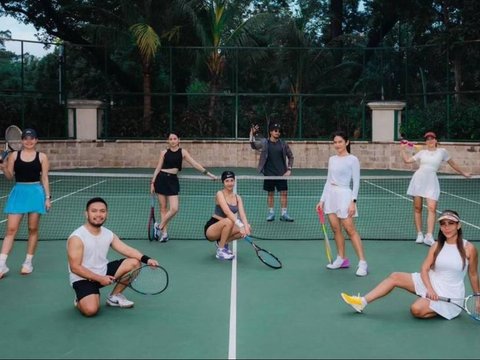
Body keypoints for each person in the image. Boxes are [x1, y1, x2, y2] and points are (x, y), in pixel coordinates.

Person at [341, 210, 479, 320]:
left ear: (458, 225)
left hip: (450, 292)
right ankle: (361, 302)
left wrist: (478, 297)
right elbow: (424, 269)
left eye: (451, 223)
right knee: (395, 276)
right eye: (443, 224)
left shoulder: (469, 248)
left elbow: (473, 274)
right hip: (430, 282)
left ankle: (442, 308)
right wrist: (430, 290)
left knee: (416, 310)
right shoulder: (436, 245)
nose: (447, 227)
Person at [67, 197, 159, 317]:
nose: (98, 214)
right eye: (94, 211)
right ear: (86, 214)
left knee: (134, 263)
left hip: (103, 272)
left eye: (102, 211)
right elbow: (75, 268)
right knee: (91, 310)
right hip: (83, 278)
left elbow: (126, 249)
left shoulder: (108, 233)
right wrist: (100, 279)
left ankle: (114, 296)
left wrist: (147, 259)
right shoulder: (77, 237)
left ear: (107, 214)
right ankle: (80, 299)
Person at [401, 131, 471, 246]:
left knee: (432, 208)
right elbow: (407, 161)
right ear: (426, 142)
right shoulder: (422, 153)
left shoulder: (442, 152)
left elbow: (453, 164)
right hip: (418, 180)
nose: (430, 141)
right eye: (427, 139)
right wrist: (403, 149)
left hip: (431, 181)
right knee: (417, 208)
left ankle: (429, 236)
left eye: (432, 138)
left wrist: (464, 173)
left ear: (436, 140)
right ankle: (419, 234)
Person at [316, 130, 368, 276]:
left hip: (345, 195)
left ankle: (363, 263)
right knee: (335, 229)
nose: (337, 144)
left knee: (350, 229)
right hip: (331, 196)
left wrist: (353, 201)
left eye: (340, 141)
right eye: (335, 142)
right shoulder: (332, 159)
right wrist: (322, 200)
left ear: (347, 142)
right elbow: (328, 181)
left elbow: (357, 182)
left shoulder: (353, 159)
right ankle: (341, 259)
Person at [0, 128, 51, 279]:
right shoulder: (14, 155)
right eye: (26, 138)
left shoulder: (42, 157)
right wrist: (2, 166)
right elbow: (9, 176)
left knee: (32, 228)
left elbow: (45, 178)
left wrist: (47, 198)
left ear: (36, 140)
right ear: (22, 140)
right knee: (11, 230)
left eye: (32, 138)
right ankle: (2, 264)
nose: (29, 141)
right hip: (19, 193)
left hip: (36, 193)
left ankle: (28, 262)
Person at [150, 132, 216, 242]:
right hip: (160, 179)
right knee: (163, 208)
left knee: (174, 208)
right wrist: (152, 182)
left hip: (172, 181)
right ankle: (164, 234)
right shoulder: (164, 153)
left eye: (174, 138)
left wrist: (208, 174)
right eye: (170, 139)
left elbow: (194, 164)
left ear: (179, 140)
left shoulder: (183, 152)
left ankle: (159, 227)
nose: (172, 141)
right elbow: (157, 168)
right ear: (168, 141)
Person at [249, 122, 294, 222]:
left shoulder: (283, 144)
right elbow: (253, 146)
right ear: (270, 132)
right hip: (269, 174)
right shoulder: (265, 143)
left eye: (279, 131)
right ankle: (271, 213)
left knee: (284, 193)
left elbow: (291, 156)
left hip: (282, 174)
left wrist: (289, 169)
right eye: (275, 131)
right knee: (270, 193)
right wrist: (251, 133)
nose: (278, 132)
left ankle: (284, 214)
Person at [204, 171, 251, 260]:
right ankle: (220, 251)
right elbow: (227, 212)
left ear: (234, 181)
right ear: (223, 182)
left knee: (247, 227)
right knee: (229, 221)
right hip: (212, 228)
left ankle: (222, 243)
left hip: (227, 225)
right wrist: (240, 225)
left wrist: (246, 227)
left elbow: (243, 214)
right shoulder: (219, 194)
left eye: (231, 180)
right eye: (227, 181)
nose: (230, 183)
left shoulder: (238, 198)